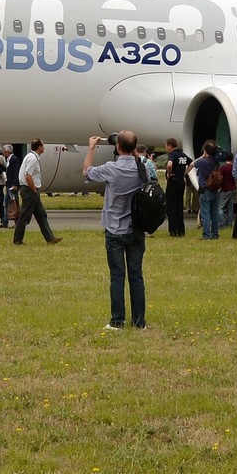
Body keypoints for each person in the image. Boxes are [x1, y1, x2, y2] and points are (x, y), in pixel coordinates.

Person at [85, 133, 148, 330]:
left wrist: (92, 147)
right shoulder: (141, 168)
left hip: (114, 228)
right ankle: (139, 322)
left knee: (117, 276)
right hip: (136, 228)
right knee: (136, 275)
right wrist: (134, 153)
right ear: (135, 148)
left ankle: (117, 320)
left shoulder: (111, 168)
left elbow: (87, 171)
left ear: (118, 147)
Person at [13, 139, 62, 246]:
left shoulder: (32, 156)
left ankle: (50, 238)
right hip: (29, 190)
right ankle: (17, 240)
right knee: (24, 216)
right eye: (43, 145)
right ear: (39, 147)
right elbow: (28, 176)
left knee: (41, 215)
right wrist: (34, 189)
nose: (44, 147)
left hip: (32, 190)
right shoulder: (32, 159)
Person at [191, 140, 221, 240]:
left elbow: (192, 164)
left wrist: (202, 156)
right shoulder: (216, 161)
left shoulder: (202, 161)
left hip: (205, 189)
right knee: (214, 213)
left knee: (205, 213)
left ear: (205, 151)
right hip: (214, 189)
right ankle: (215, 234)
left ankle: (206, 235)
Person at [163, 138, 191, 237]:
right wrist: (184, 173)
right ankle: (181, 230)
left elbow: (170, 164)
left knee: (171, 206)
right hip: (181, 181)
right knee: (179, 206)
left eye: (166, 146)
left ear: (170, 146)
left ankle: (173, 230)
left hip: (173, 182)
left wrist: (169, 174)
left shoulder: (172, 154)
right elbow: (192, 163)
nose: (166, 148)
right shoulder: (182, 154)